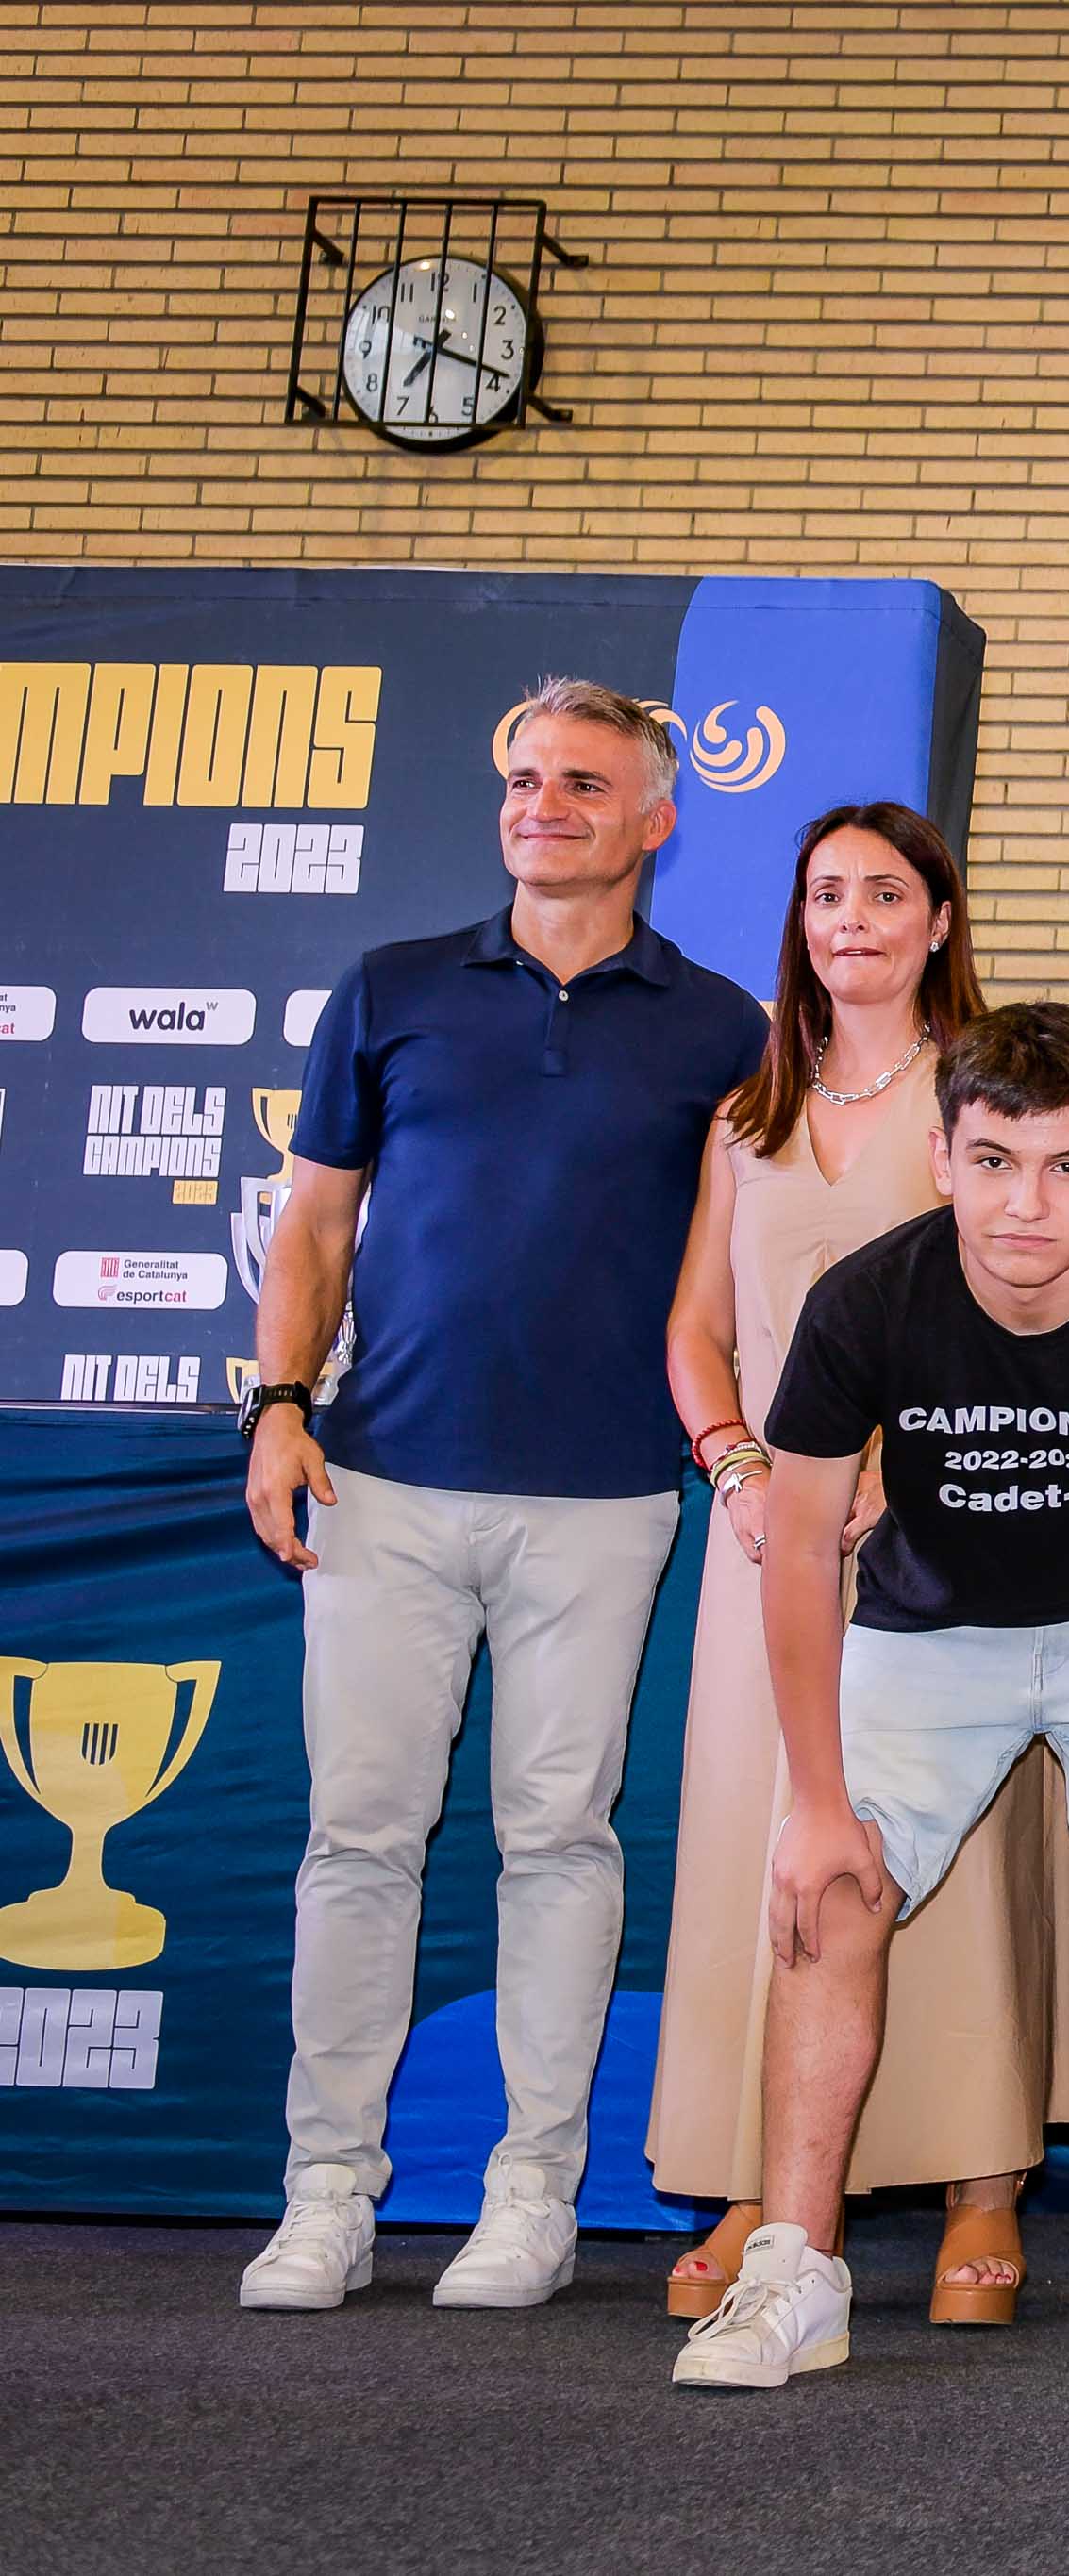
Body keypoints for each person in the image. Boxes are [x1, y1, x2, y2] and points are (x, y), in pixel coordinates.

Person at [667, 1005, 1069, 2401]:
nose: (1027, 1203)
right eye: (996, 1161)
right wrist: (817, 1801)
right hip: (933, 1624)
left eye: (1067, 1166)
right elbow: (801, 1546)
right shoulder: (866, 1300)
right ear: (944, 1159)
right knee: (827, 1887)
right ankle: (795, 2266)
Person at [238, 678, 768, 2316]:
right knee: (356, 1840)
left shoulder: (727, 1029)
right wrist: (277, 1403)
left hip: (606, 1499)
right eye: (526, 777)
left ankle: (532, 2196)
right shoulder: (390, 986)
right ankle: (327, 2194)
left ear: (654, 820)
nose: (545, 803)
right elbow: (315, 1222)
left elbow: (756, 1260)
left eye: (584, 783)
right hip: (380, 1482)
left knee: (558, 1842)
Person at [649, 803, 1069, 2330]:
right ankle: (766, 2176)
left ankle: (980, 2179)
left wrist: (899, 1468)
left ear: (940, 918)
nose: (851, 917)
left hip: (948, 1529)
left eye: (884, 892)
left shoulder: (982, 1096)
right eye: (826, 892)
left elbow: (1028, 1302)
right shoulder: (746, 1113)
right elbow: (699, 1329)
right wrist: (741, 1466)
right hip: (769, 1540)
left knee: (953, 1857)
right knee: (763, 1849)